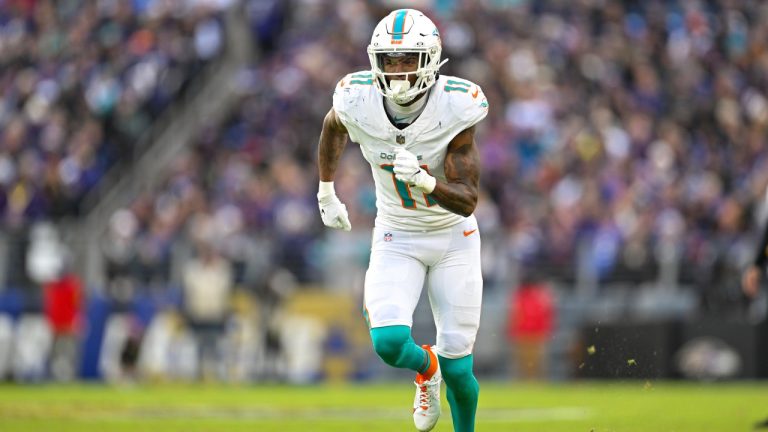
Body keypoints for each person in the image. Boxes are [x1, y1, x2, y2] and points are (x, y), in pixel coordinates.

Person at [316, 9, 488, 432]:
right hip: (397, 233)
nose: (397, 72)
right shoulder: (357, 98)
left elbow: (467, 201)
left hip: (452, 237)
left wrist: (428, 182)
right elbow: (333, 126)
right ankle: (424, 368)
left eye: (407, 59)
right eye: (389, 61)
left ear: (429, 60)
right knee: (389, 343)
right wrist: (326, 189)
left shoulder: (456, 106)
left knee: (460, 368)